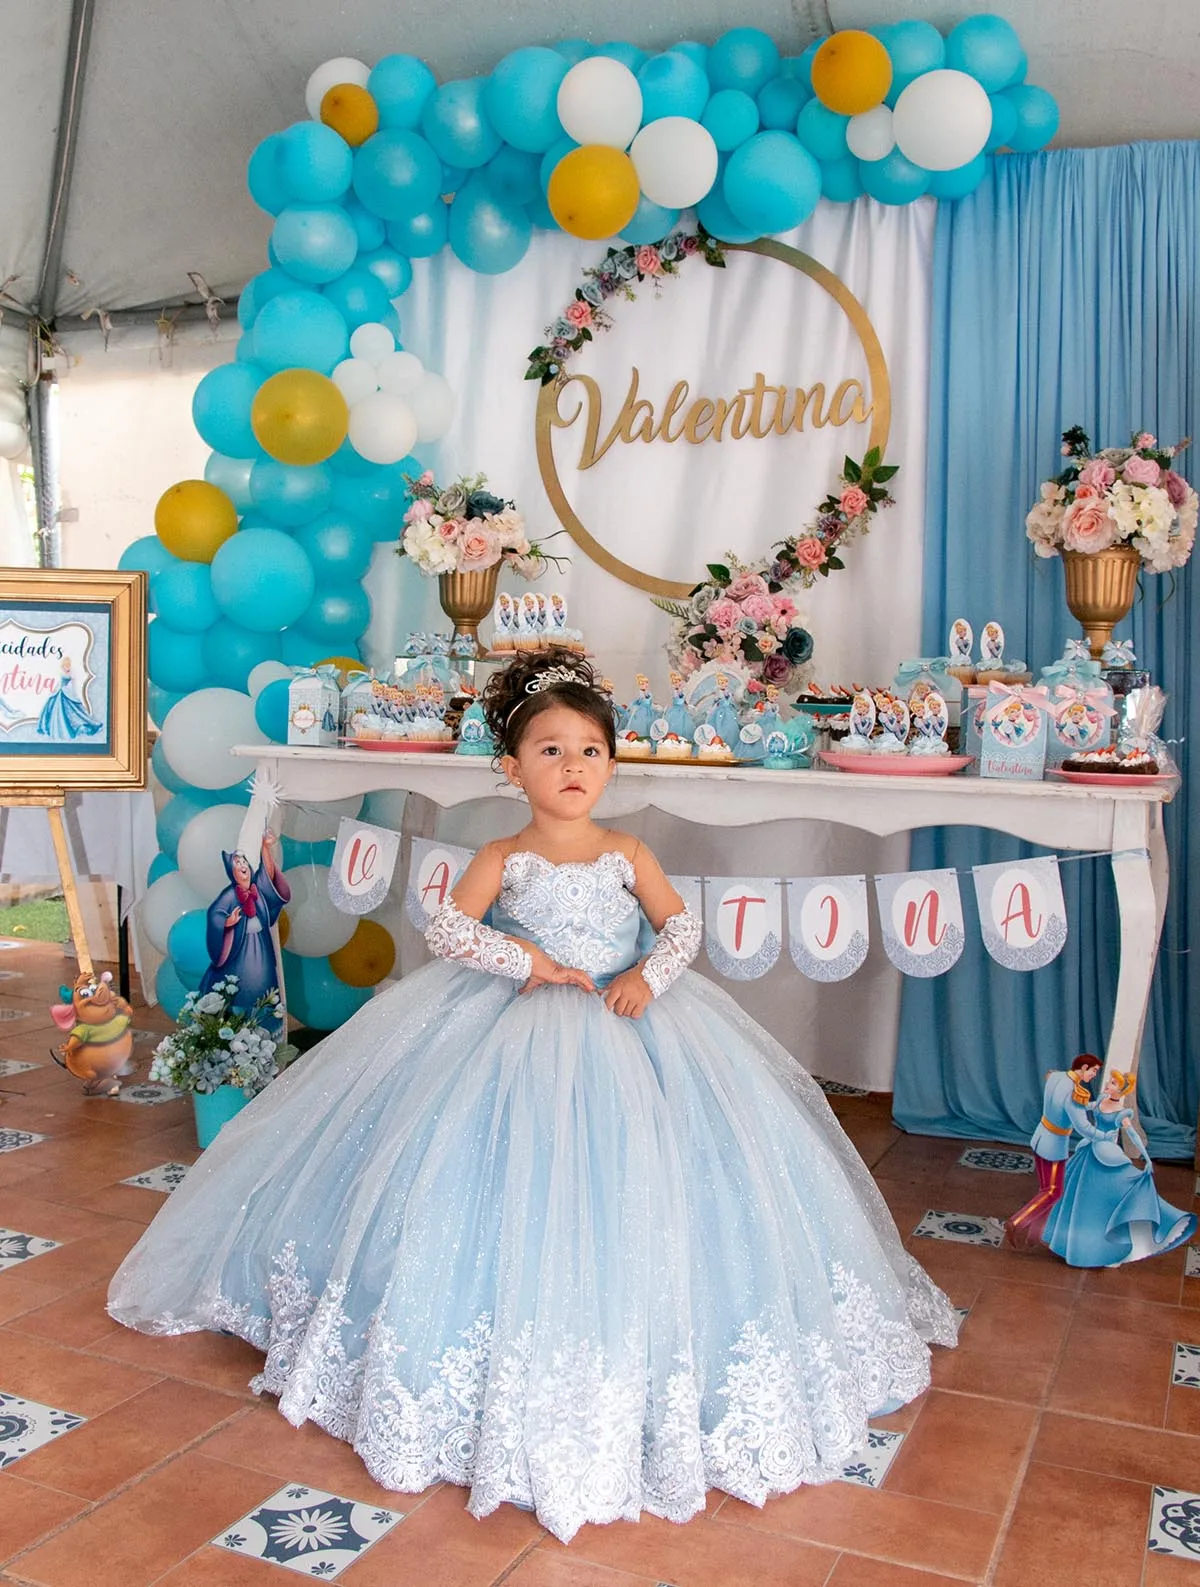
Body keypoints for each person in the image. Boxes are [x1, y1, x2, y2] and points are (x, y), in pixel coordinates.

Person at [107, 648, 958, 1544]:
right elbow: (448, 926)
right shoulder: (504, 855)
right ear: (513, 770)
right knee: (480, 1177)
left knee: (660, 1182)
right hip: (515, 1022)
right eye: (549, 751)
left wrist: (650, 976)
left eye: (589, 750)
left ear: (612, 765)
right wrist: (527, 960)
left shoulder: (629, 851)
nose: (572, 768)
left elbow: (682, 924)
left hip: (632, 1025)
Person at [1042, 1070, 1197, 1267]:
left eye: (1113, 1083)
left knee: (1113, 1195)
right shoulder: (1100, 1101)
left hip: (1108, 1154)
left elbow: (1132, 1135)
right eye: (1110, 1081)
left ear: (1122, 1090)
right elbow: (1083, 1106)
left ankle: (1123, 1239)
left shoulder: (1121, 1113)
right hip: (1090, 1151)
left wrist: (1146, 1157)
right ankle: (1076, 1244)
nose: (1108, 1084)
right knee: (1082, 1199)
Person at [1004, 1054, 1102, 1251]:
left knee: (1045, 1189)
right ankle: (1017, 1222)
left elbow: (1070, 1105)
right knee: (1053, 1191)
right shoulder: (1074, 1092)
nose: (1093, 1075)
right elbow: (1082, 1126)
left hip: (1040, 1136)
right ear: (1083, 1067)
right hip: (1054, 1145)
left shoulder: (1057, 1077)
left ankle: (1035, 1235)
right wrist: (1105, 1137)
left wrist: (1096, 1105)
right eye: (1093, 1071)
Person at [197, 834, 290, 1014]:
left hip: (261, 947)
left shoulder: (257, 890)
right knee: (237, 988)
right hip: (240, 950)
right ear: (232, 872)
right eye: (237, 863)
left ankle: (264, 1021)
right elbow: (215, 913)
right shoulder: (230, 895)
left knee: (264, 988)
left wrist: (265, 848)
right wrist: (227, 922)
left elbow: (269, 877)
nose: (243, 865)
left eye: (244, 862)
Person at [36, 655, 102, 740]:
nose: (67, 666)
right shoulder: (61, 672)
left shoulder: (71, 673)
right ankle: (56, 729)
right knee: (54, 709)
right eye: (65, 665)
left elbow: (73, 684)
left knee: (72, 710)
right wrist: (54, 691)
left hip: (68, 692)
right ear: (63, 665)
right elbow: (59, 683)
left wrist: (73, 694)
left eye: (68, 665)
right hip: (61, 692)